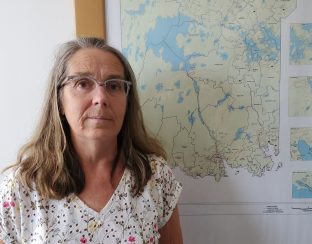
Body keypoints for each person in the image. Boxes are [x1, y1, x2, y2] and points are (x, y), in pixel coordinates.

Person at [0, 37, 183, 243]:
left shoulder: (155, 177)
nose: (101, 97)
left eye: (113, 86)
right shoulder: (20, 188)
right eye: (83, 83)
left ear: (127, 100)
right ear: (59, 100)